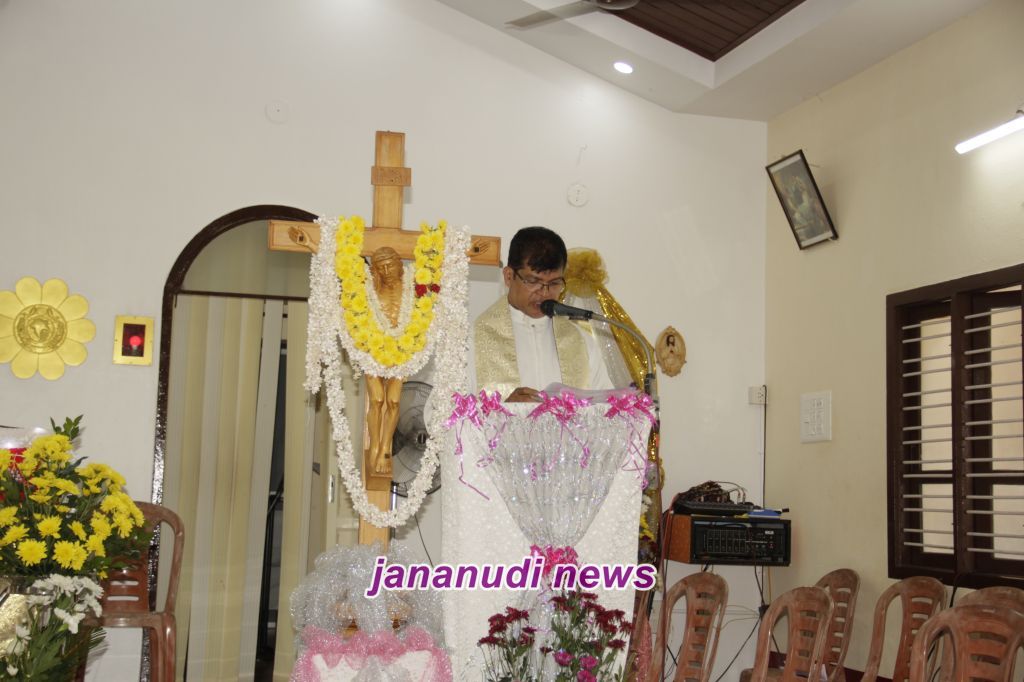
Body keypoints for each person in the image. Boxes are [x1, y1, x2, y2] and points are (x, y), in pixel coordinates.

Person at [474, 227, 612, 402]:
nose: (545, 293)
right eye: (533, 281)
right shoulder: (474, 339)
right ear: (509, 276)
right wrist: (504, 410)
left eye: (554, 283)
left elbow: (606, 407)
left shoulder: (581, 342)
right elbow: (447, 411)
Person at [365, 247, 405, 474]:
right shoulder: (370, 288)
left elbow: (439, 266)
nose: (387, 272)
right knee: (377, 399)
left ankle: (385, 448)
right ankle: (374, 445)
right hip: (372, 351)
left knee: (394, 402)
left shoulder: (412, 288)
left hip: (402, 351)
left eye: (390, 266)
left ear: (400, 265)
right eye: (382, 268)